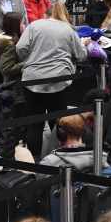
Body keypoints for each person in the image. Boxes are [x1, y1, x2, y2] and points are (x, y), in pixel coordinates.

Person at [14, 13, 87, 152]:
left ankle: (33, 163)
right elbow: (81, 55)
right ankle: (59, 158)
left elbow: (20, 48)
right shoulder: (68, 29)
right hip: (58, 80)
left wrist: (30, 58)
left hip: (32, 80)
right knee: (60, 123)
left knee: (34, 124)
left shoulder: (34, 26)